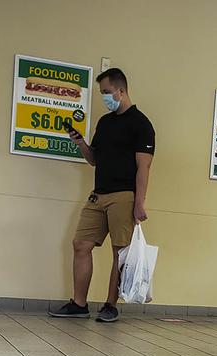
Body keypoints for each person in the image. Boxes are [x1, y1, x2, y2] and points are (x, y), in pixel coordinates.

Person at [49, 68, 155, 323]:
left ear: (121, 90)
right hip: (98, 194)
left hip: (124, 196)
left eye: (107, 92)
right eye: (102, 93)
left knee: (120, 253)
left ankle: (110, 305)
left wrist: (139, 202)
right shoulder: (105, 123)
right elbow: (94, 159)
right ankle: (79, 304)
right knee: (80, 244)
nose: (105, 97)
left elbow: (144, 167)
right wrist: (81, 143)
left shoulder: (141, 124)